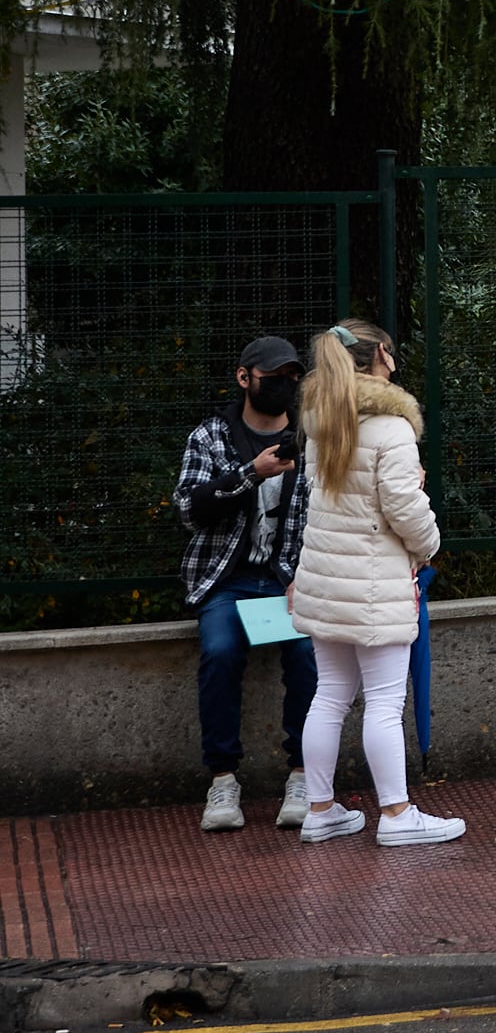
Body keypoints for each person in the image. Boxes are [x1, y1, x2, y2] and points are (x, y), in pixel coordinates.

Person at [287, 329, 463, 845]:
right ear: (381, 355)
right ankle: (396, 814)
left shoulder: (322, 422)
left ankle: (320, 810)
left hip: (324, 579)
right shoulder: (391, 428)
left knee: (330, 695)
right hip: (374, 584)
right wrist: (429, 544)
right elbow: (404, 510)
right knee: (385, 701)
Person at [173, 335, 320, 833]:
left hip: (290, 582)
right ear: (244, 378)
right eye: (272, 376)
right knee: (219, 651)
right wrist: (250, 474)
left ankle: (302, 775)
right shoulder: (211, 436)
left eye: (291, 377)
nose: (283, 385)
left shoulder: (310, 438)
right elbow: (190, 510)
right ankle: (222, 780)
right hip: (227, 581)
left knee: (306, 655)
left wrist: (305, 578)